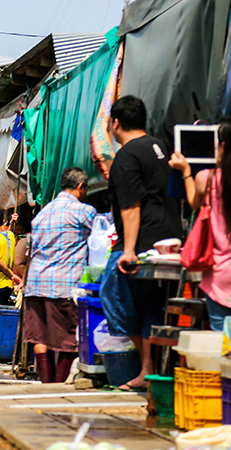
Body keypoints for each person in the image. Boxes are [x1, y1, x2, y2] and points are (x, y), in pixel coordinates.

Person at [99, 96, 181, 390]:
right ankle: (148, 369)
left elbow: (130, 206)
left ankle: (148, 365)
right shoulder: (161, 147)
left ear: (116, 122)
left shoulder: (127, 155)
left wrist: (129, 249)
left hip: (141, 243)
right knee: (150, 305)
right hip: (169, 237)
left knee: (111, 293)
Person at [24, 167, 97, 383]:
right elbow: (103, 234)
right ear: (81, 187)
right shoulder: (84, 211)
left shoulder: (43, 212)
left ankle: (46, 383)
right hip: (63, 284)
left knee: (40, 335)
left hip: (36, 283)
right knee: (68, 338)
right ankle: (56, 384)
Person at [170, 116, 231, 331]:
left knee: (222, 343)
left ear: (222, 146)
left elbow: (194, 204)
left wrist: (186, 170)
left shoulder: (208, 178)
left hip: (220, 274)